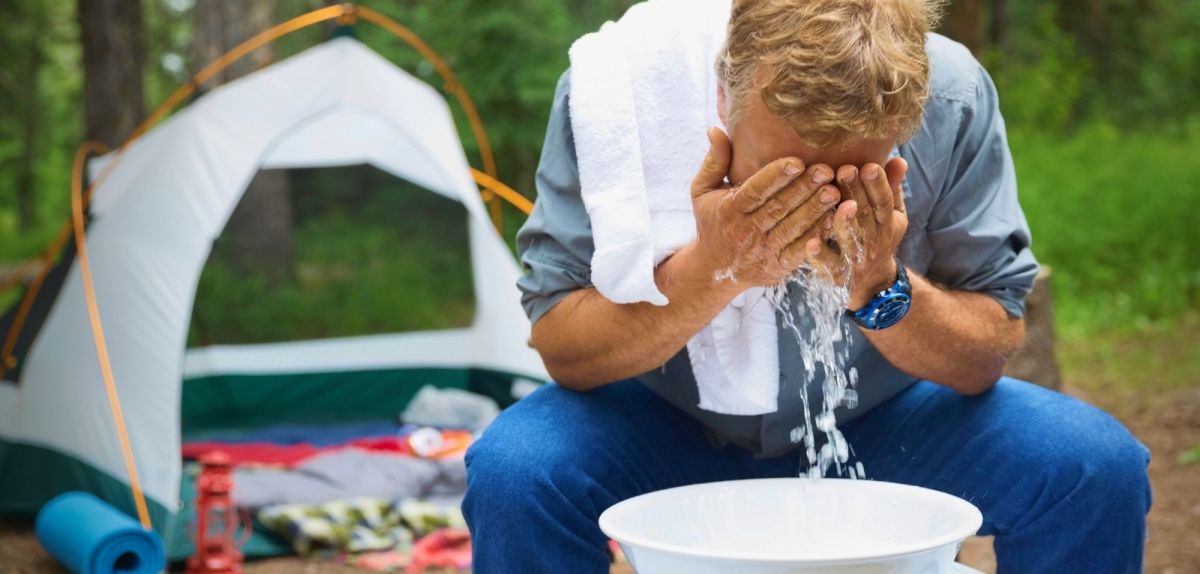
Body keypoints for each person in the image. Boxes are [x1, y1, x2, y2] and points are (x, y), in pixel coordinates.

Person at [463, 0, 1152, 572]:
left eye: (849, 180)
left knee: (1093, 468)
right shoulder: (613, 93)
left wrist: (880, 286)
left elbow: (990, 349)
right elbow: (561, 348)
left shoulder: (952, 95)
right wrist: (715, 268)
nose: (813, 207)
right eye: (781, 172)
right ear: (722, 94)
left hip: (881, 415)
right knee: (516, 472)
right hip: (664, 417)